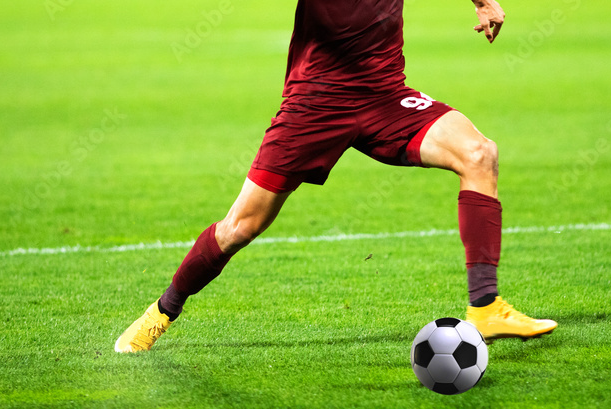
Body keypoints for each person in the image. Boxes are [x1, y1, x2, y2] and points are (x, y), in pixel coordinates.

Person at [115, 0, 556, 353]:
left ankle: (485, 307)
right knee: (240, 227)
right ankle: (162, 312)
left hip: (385, 95)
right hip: (315, 104)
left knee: (479, 154)